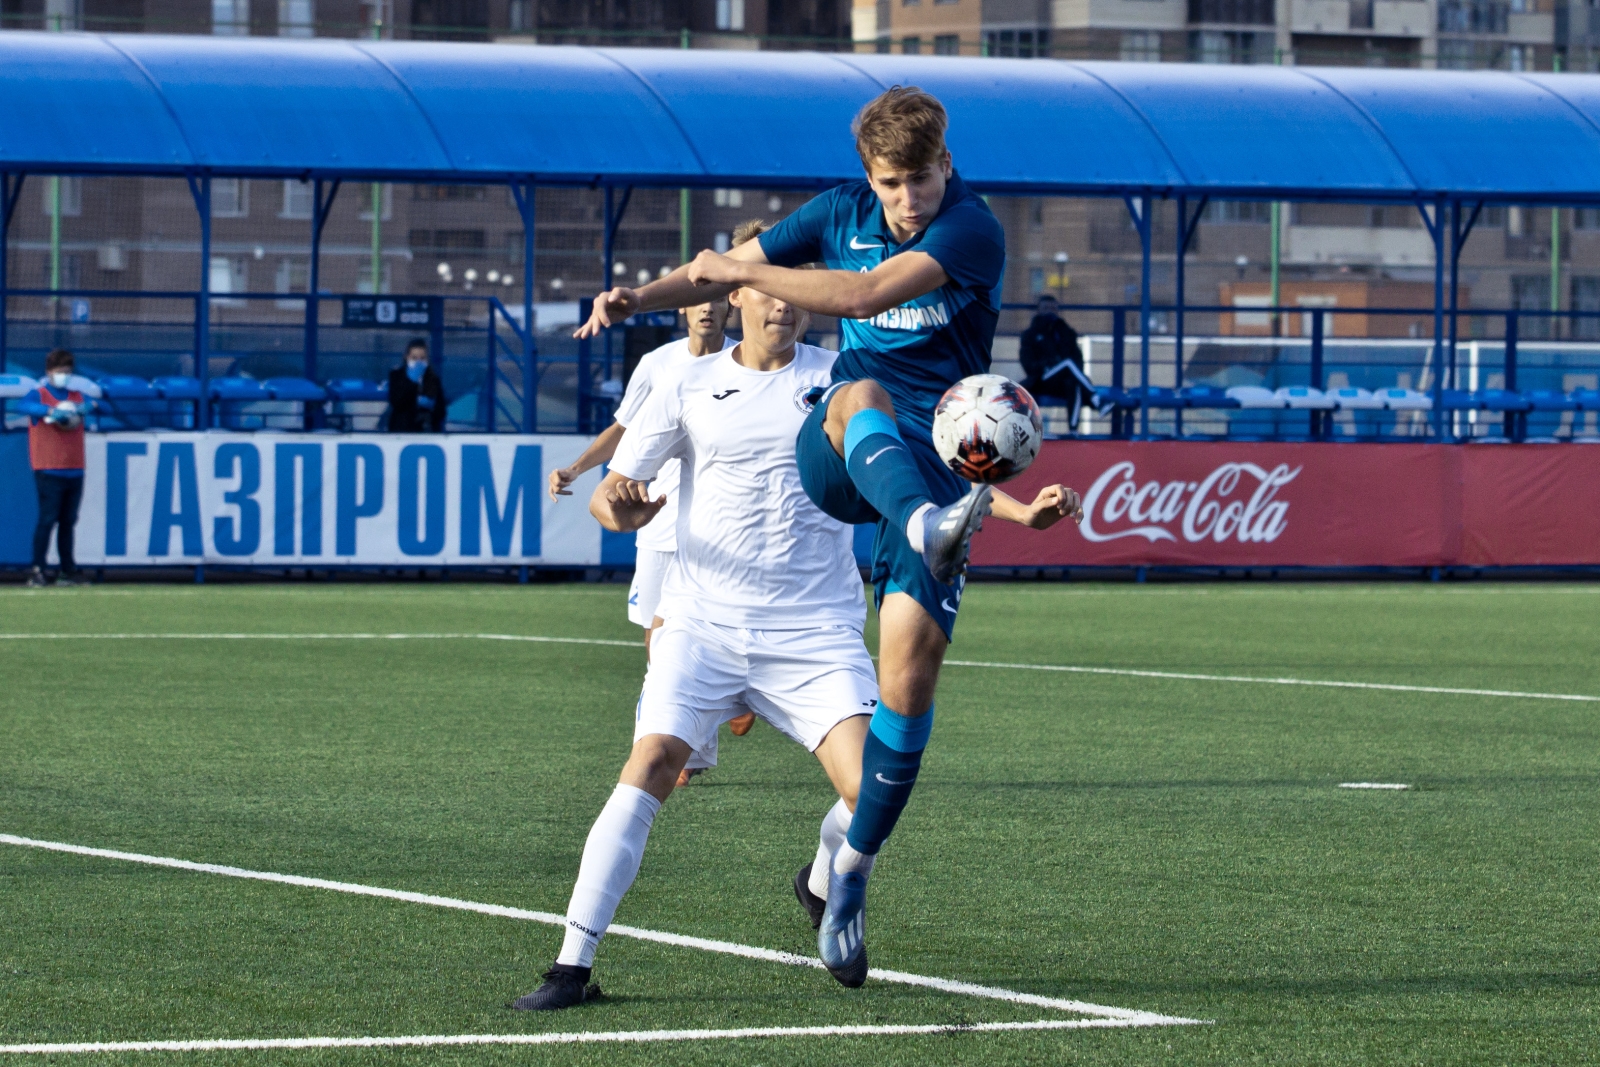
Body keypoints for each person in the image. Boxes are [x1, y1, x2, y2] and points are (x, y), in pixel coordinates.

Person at [575, 85, 1083, 986]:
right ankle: (926, 526)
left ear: (946, 166)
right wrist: (639, 296)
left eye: (920, 180)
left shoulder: (971, 230)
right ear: (867, 177)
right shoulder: (837, 213)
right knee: (859, 391)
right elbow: (714, 267)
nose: (907, 201)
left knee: (905, 702)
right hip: (844, 450)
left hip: (932, 468)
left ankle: (838, 875)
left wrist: (743, 271)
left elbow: (858, 291)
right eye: (890, 185)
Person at [514, 241, 878, 1011]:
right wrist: (624, 507)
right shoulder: (688, 382)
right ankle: (570, 965)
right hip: (704, 622)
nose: (781, 304)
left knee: (874, 790)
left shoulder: (842, 381)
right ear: (737, 296)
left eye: (794, 293)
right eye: (765, 292)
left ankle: (820, 881)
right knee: (649, 763)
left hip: (814, 629)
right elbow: (610, 497)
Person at [549, 294, 757, 784]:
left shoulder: (746, 363)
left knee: (708, 624)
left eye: (714, 303)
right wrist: (577, 468)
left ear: (730, 309)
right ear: (681, 311)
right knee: (655, 634)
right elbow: (624, 430)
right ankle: (701, 734)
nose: (706, 310)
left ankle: (720, 714)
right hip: (658, 519)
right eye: (696, 302)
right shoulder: (657, 364)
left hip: (719, 521)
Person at [18, 349, 92, 588]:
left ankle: (67, 569)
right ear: (49, 372)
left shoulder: (76, 396)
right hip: (48, 467)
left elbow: (94, 405)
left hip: (74, 467)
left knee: (68, 521)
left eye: (68, 372)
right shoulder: (39, 394)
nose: (64, 376)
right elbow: (24, 406)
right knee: (48, 519)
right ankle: (38, 568)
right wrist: (51, 412)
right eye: (60, 372)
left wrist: (86, 408)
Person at [1019, 293, 1095, 432]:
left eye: (1053, 308)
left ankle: (1073, 431)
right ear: (1038, 310)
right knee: (1068, 364)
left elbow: (1078, 359)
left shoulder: (1066, 332)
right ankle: (1095, 398)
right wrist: (1047, 365)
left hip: (1062, 381)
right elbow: (1028, 364)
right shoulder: (1030, 334)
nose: (1050, 311)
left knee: (1074, 382)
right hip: (1041, 380)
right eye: (1046, 308)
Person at [386, 339, 446, 432]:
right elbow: (396, 402)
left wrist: (431, 409)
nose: (418, 362)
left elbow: (441, 411)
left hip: (426, 431)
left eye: (422, 358)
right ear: (406, 357)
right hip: (402, 430)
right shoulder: (396, 375)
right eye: (414, 358)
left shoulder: (433, 378)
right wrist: (412, 382)